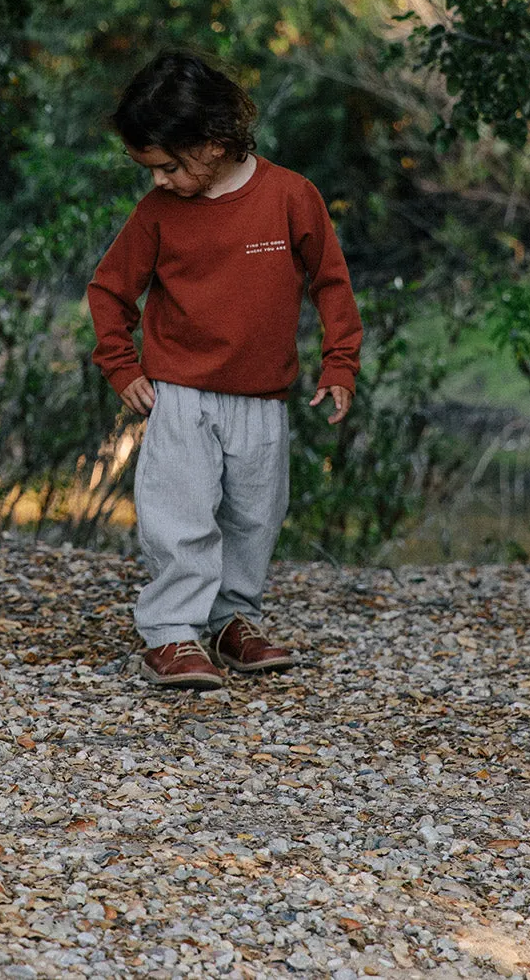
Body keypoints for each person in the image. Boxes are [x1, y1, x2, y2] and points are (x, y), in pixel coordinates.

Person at [87, 50, 363, 689]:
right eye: (147, 167)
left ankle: (235, 619)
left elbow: (331, 282)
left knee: (254, 515)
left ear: (211, 144)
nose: (157, 180)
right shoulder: (158, 214)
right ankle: (174, 633)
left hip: (263, 398)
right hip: (179, 396)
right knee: (179, 515)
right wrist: (120, 364)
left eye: (166, 165)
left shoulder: (291, 197)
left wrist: (339, 362)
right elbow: (109, 290)